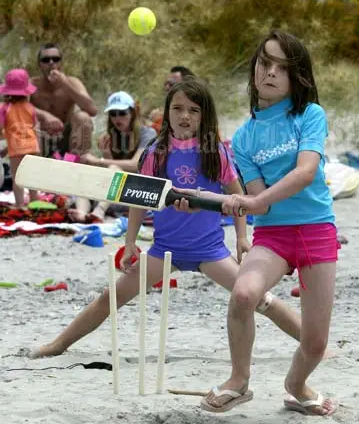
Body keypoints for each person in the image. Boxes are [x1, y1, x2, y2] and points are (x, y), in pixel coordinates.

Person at [27, 77, 303, 360]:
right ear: (167, 112)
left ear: (205, 115)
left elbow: (238, 197)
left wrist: (242, 238)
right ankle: (59, 344)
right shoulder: (156, 153)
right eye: (178, 108)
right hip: (163, 250)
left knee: (259, 300)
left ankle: (314, 344)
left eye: (194, 110)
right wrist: (131, 242)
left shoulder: (214, 152)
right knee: (110, 297)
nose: (185, 116)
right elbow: (138, 200)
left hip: (210, 251)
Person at [193, 30, 338, 416]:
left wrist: (253, 200)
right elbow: (263, 205)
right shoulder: (243, 137)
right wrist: (222, 202)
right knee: (243, 294)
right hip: (273, 235)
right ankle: (238, 381)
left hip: (316, 231)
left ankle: (296, 386)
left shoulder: (310, 115)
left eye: (281, 67)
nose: (269, 72)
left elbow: (306, 172)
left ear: (297, 76)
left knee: (315, 344)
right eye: (264, 63)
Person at [68, 91, 157, 222]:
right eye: (113, 114)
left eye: (122, 113)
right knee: (85, 177)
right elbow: (114, 169)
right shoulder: (111, 135)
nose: (117, 119)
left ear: (132, 113)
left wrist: (100, 160)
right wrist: (106, 154)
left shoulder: (147, 133)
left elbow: (136, 164)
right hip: (115, 192)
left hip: (138, 191)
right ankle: (82, 214)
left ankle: (100, 210)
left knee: (112, 168)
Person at [31, 43, 98, 158]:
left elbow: (92, 110)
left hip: (67, 138)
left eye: (56, 59)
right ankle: (36, 166)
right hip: (41, 137)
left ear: (61, 63)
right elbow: (14, 107)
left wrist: (64, 83)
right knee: (30, 121)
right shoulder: (31, 85)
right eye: (46, 60)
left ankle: (78, 163)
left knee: (82, 117)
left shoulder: (72, 82)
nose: (51, 63)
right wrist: (44, 115)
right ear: (39, 64)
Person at [0, 69, 39, 207]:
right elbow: (30, 127)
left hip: (16, 148)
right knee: (32, 177)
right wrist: (6, 149)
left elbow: (2, 128)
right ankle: (35, 203)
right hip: (33, 145)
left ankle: (20, 204)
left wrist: (6, 143)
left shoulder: (5, 108)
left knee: (18, 178)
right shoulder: (30, 107)